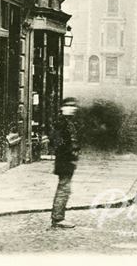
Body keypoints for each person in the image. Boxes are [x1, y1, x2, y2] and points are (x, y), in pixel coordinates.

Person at [50, 97, 80, 229]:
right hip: (64, 160)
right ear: (62, 108)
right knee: (64, 189)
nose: (72, 108)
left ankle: (58, 217)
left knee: (65, 189)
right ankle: (58, 218)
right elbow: (56, 142)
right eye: (68, 106)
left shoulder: (69, 122)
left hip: (68, 160)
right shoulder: (60, 123)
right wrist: (69, 152)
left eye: (73, 106)